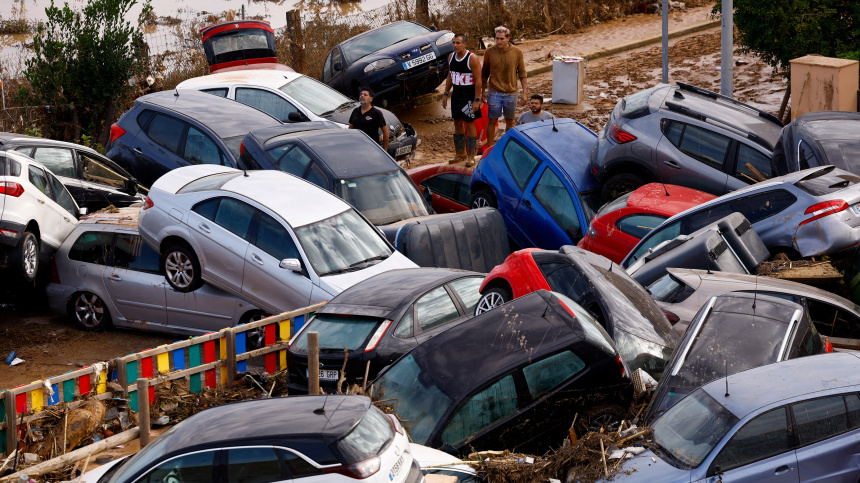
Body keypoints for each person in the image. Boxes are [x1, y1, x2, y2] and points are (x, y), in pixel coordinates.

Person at [481, 25, 527, 148]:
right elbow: (484, 73)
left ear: (508, 38)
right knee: (492, 120)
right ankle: (490, 148)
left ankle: (508, 147)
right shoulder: (489, 52)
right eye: (497, 39)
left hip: (511, 92)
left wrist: (524, 93)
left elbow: (522, 73)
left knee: (510, 121)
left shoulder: (517, 52)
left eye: (502, 39)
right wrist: (483, 91)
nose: (499, 41)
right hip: (494, 92)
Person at [442, 33, 483, 165]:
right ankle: (460, 153)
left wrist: (477, 99)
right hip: (456, 95)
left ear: (464, 44)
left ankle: (471, 155)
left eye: (458, 43)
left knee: (470, 123)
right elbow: (450, 76)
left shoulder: (472, 58)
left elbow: (478, 80)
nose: (455, 45)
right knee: (457, 122)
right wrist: (445, 93)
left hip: (468, 96)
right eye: (453, 43)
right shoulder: (451, 57)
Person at [349, 87, 389, 152]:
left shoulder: (376, 113)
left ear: (371, 99)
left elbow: (386, 132)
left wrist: (385, 150)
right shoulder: (355, 111)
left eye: (365, 95)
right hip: (357, 147)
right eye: (361, 94)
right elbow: (350, 129)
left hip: (372, 148)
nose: (362, 96)